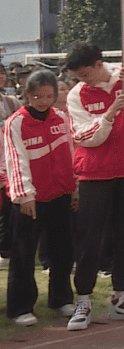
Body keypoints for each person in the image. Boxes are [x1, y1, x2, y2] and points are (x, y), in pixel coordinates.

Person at [65, 44, 124, 330]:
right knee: (90, 239)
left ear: (98, 64)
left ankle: (121, 297)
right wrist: (108, 115)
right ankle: (83, 299)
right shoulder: (76, 95)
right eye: (77, 76)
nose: (83, 80)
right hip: (95, 174)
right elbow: (83, 137)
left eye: (85, 74)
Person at [4, 70, 78, 326]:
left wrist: (74, 187)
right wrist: (25, 196)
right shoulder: (16, 123)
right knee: (24, 255)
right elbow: (16, 161)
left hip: (60, 194)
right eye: (38, 96)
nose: (44, 101)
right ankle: (20, 307)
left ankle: (61, 298)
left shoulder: (61, 118)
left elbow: (70, 152)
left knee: (62, 251)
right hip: (30, 199)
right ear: (27, 95)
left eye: (49, 96)